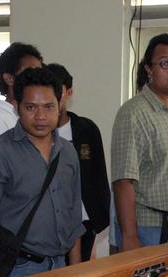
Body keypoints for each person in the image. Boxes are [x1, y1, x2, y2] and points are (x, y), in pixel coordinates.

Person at [0, 67, 84, 277]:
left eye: (49, 107)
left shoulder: (68, 152)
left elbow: (73, 214)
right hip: (15, 269)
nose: (40, 116)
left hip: (59, 266)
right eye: (31, 107)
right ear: (17, 107)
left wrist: (75, 270)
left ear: (60, 106)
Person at [112, 33, 168, 251]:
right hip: (150, 229)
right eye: (166, 63)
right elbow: (123, 180)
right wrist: (130, 236)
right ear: (148, 69)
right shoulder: (133, 113)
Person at [46, 62, 110, 260]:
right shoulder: (38, 131)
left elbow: (100, 175)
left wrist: (101, 217)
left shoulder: (87, 128)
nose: (54, 97)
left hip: (84, 218)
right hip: (50, 220)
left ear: (69, 92)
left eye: (59, 90)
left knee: (79, 272)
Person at [0, 42, 42, 157]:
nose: (37, 79)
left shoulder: (32, 119)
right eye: (29, 74)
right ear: (9, 79)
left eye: (39, 73)